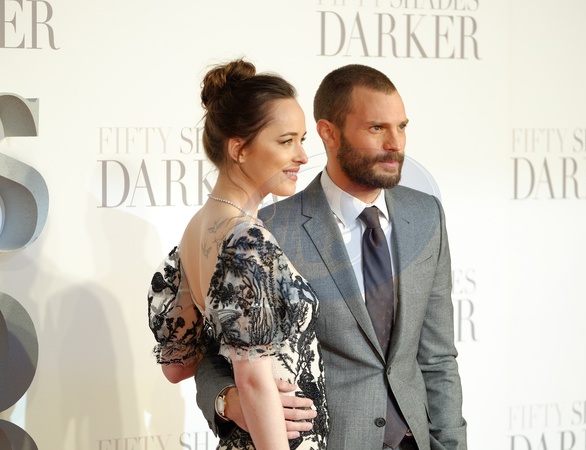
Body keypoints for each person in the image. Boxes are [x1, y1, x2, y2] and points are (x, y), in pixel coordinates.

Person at [195, 63, 468, 450]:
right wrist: (229, 401)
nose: (396, 143)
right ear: (329, 132)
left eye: (402, 127)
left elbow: (438, 357)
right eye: (377, 128)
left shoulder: (426, 215)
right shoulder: (267, 230)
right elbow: (212, 357)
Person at [147, 58, 329, 450]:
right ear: (239, 149)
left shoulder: (197, 230)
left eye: (302, 141)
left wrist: (229, 399)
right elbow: (254, 380)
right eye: (286, 141)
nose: (302, 156)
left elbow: (177, 366)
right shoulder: (248, 240)